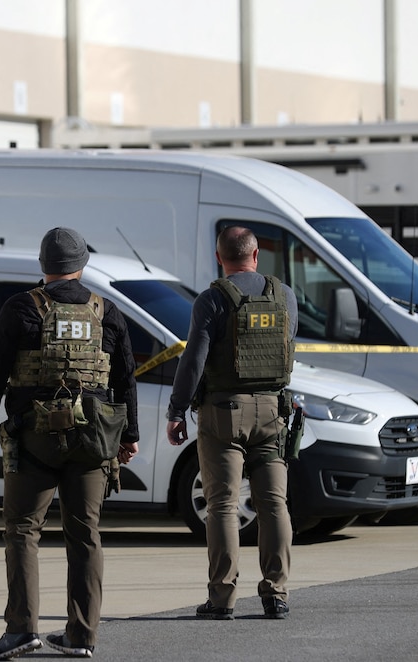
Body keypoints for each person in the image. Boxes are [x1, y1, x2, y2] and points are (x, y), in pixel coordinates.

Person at [0, 226, 140, 660]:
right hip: (93, 441)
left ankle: (21, 631)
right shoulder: (107, 312)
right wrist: (130, 437)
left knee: (23, 531)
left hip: (34, 439)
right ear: (81, 266)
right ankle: (82, 635)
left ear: (44, 267)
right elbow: (125, 379)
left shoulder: (20, 309)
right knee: (85, 535)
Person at [165, 225, 296, 620]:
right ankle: (277, 594)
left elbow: (194, 360)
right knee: (274, 503)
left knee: (222, 504)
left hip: (223, 414)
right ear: (256, 256)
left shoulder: (212, 300)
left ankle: (222, 599)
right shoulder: (284, 295)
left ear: (220, 258)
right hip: (273, 411)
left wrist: (176, 411)